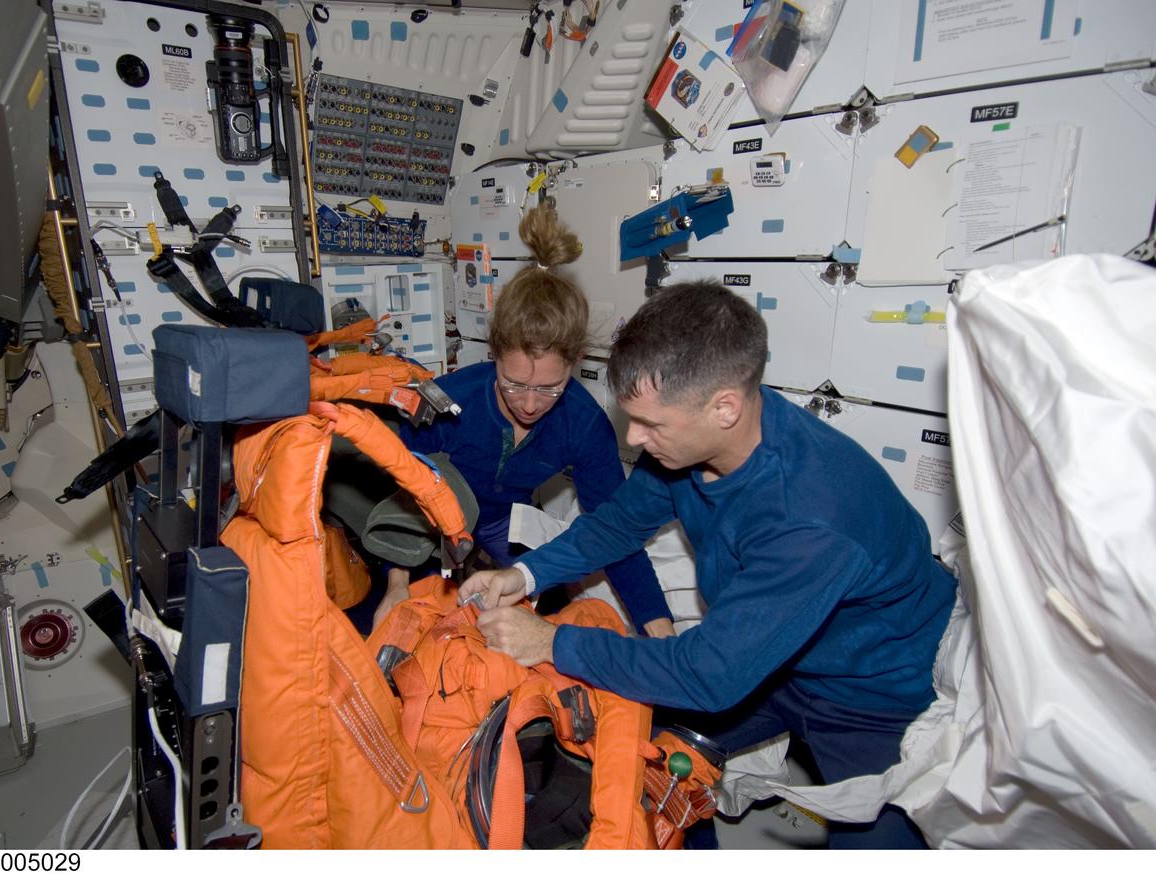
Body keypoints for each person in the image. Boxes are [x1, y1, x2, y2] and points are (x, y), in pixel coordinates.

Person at [460, 279, 957, 849]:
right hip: (775, 663)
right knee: (636, 762)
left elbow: (708, 674)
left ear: (724, 408)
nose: (635, 439)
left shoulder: (810, 516)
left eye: (652, 424)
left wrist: (549, 641)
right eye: (632, 419)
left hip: (874, 697)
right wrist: (524, 575)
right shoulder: (692, 448)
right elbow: (617, 524)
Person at [373, 204, 675, 639]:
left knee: (541, 612)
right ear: (494, 353)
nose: (530, 405)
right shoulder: (447, 401)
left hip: (502, 522)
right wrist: (396, 583)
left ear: (575, 362)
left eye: (550, 388)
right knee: (409, 620)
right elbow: (401, 492)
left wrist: (658, 629)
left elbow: (615, 529)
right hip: (428, 519)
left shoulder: (583, 424)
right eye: (514, 384)